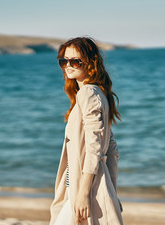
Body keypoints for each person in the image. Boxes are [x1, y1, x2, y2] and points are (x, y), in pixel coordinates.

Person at [50, 37, 123, 225]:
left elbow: (95, 147)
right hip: (79, 184)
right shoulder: (98, 92)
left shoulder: (88, 93)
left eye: (75, 61)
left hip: (83, 186)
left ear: (91, 63)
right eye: (63, 61)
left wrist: (83, 193)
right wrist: (111, 192)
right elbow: (112, 149)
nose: (68, 66)